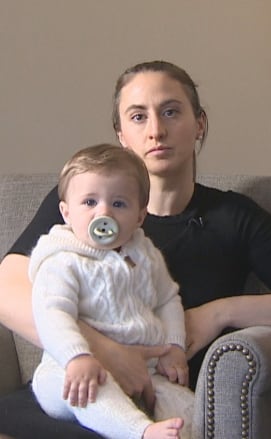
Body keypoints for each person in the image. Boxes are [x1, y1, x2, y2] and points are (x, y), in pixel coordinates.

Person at [0, 60, 271, 438]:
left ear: (199, 124)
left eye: (171, 111)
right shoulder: (81, 205)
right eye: (138, 117)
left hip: (162, 400)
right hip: (75, 389)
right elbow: (8, 290)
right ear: (121, 134)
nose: (156, 130)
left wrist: (220, 313)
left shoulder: (233, 217)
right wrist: (103, 351)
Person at [31, 144, 192, 439]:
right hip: (67, 369)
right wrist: (76, 356)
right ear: (66, 213)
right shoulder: (62, 260)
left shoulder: (145, 254)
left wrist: (175, 346)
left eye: (118, 204)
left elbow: (168, 299)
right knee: (92, 389)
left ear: (140, 216)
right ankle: (140, 432)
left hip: (145, 370)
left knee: (189, 408)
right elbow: (51, 313)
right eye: (90, 202)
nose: (103, 212)